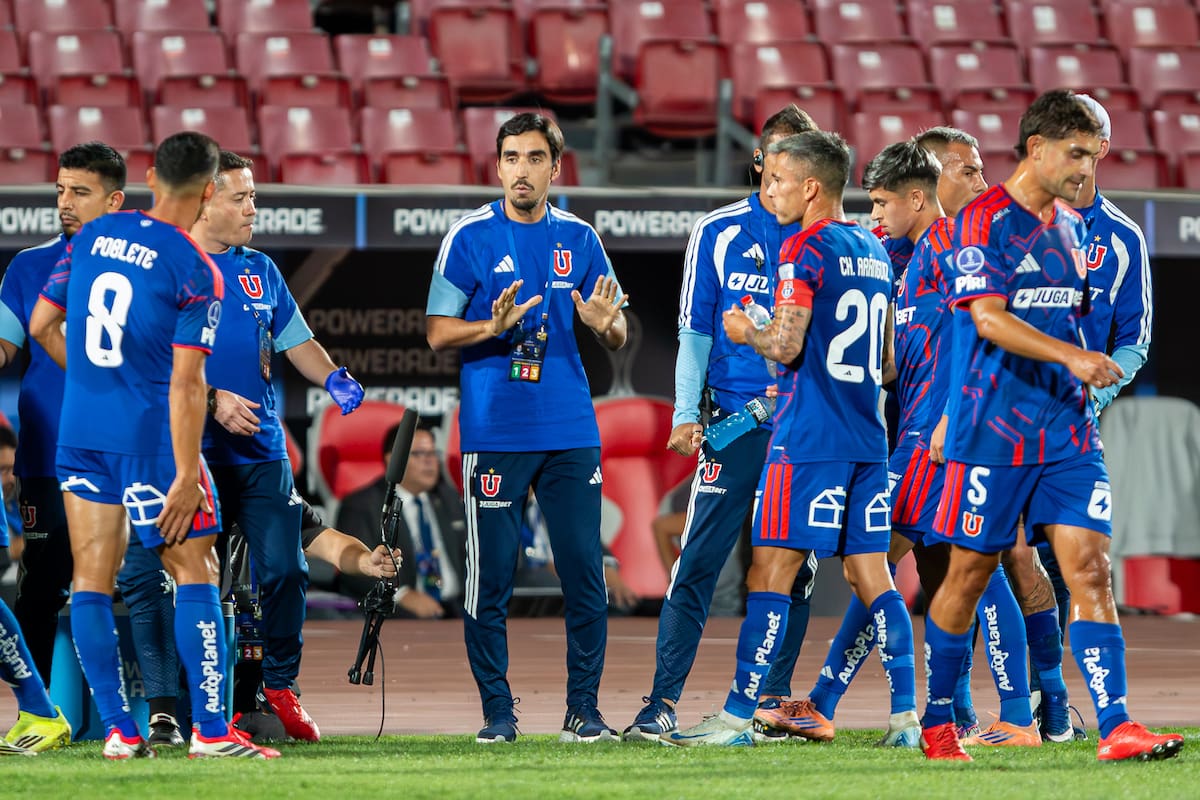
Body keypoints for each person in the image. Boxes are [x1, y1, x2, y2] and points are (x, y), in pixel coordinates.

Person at [918, 89, 1183, 763]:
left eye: (1095, 155)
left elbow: (1073, 320)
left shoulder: (1074, 227)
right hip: (990, 431)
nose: (1088, 168)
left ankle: (1117, 724)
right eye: (1076, 153)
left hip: (1065, 431)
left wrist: (1082, 374)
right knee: (968, 576)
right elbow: (987, 319)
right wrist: (1076, 357)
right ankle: (938, 721)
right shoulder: (979, 222)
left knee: (1091, 569)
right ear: (1036, 148)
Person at [29, 131, 277, 759]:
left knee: (89, 577)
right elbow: (190, 384)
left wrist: (93, 384)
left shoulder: (90, 237)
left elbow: (41, 325)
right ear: (204, 191)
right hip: (150, 441)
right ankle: (214, 734)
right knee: (196, 570)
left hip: (80, 437)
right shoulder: (197, 268)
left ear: (148, 175)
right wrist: (188, 472)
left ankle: (118, 732)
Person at [665, 130, 917, 747]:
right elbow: (886, 361)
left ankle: (733, 720)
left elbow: (786, 344)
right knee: (871, 576)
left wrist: (749, 331)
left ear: (809, 188)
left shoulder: (803, 250)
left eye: (776, 179)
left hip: (805, 438)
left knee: (770, 574)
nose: (768, 188)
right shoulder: (875, 250)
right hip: (867, 437)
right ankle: (909, 718)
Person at [426, 111, 628, 744]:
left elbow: (618, 330)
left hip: (570, 429)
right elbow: (436, 332)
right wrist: (491, 326)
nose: (521, 170)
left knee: (584, 573)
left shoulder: (582, 238)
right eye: (511, 158)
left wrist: (603, 323)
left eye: (534, 158)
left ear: (554, 169)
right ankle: (498, 714)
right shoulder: (468, 237)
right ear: (498, 167)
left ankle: (583, 711)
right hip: (495, 433)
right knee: (491, 581)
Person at [623, 105, 820, 743]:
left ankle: (773, 704)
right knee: (697, 563)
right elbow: (694, 330)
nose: (784, 174)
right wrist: (685, 413)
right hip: (734, 425)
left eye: (801, 162)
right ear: (760, 161)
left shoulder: (829, 240)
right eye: (777, 159)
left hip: (801, 427)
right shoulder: (719, 232)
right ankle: (661, 703)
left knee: (797, 566)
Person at [192, 150, 364, 743]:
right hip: (194, 452)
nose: (251, 209)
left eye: (254, 197)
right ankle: (201, 700)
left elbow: (297, 342)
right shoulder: (172, 267)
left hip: (262, 453)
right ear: (204, 198)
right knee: (195, 579)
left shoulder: (259, 269)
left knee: (288, 569)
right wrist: (212, 397)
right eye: (240, 198)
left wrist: (334, 376)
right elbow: (151, 362)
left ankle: (280, 686)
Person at [1032, 93, 1154, 663]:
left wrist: (1099, 391)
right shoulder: (1010, 223)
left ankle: (1044, 703)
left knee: (1075, 562)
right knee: (973, 564)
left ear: (1102, 147)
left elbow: (1135, 340)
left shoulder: (1124, 238)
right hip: (998, 421)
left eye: (1083, 137)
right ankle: (947, 709)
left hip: (1072, 428)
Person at [0, 143, 127, 687]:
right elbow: (3, 347)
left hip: (125, 451)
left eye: (80, 191)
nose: (65, 202)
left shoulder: (142, 268)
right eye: (60, 190)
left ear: (114, 201)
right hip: (48, 454)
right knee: (44, 584)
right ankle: (38, 709)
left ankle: (167, 709)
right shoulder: (28, 266)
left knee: (143, 582)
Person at [336, 424, 467, 619]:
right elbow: (353, 570)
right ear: (393, 460)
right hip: (399, 616)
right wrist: (400, 595)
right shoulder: (362, 505)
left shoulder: (448, 498)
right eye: (419, 454)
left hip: (457, 610)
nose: (430, 461)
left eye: (433, 453)